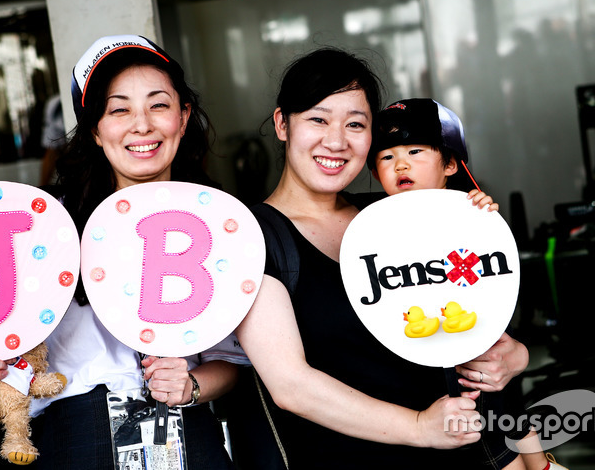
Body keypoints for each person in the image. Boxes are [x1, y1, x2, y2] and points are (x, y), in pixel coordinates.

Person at [230, 47, 529, 469]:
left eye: (356, 124)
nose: (336, 141)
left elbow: (469, 314)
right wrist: (419, 427)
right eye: (318, 119)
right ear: (283, 124)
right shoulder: (252, 237)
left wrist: (512, 356)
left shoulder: (397, 210)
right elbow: (291, 386)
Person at [0, 34, 245, 469]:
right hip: (75, 432)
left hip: (188, 432)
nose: (142, 125)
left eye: (159, 104)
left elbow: (231, 358)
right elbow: (5, 342)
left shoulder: (218, 220)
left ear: (183, 117)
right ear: (95, 129)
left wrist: (192, 384)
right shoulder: (46, 223)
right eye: (119, 109)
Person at [368, 98, 566, 470]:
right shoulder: (376, 228)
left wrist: (481, 213)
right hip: (432, 357)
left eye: (414, 151)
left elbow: (493, 265)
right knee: (489, 434)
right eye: (387, 157)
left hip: (477, 333)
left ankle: (541, 464)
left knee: (505, 399)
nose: (401, 164)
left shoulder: (470, 211)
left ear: (450, 164)